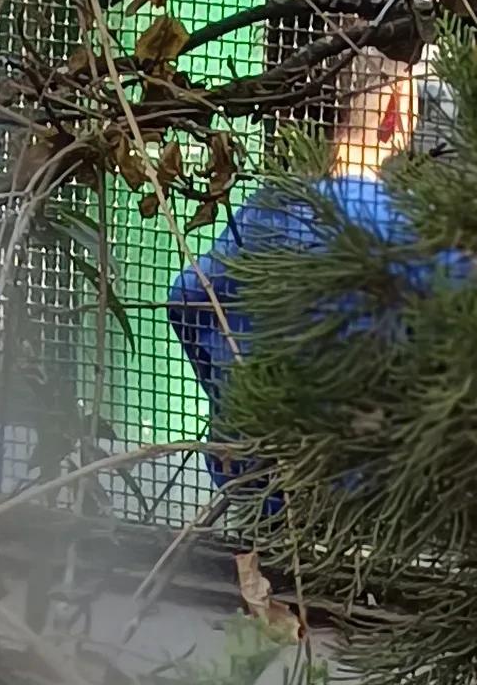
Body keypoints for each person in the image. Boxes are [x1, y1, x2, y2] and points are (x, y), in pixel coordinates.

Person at [167, 34, 454, 625]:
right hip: (394, 551)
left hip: (267, 533)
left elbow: (187, 298)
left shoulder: (261, 216)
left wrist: (235, 415)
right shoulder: (409, 239)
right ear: (397, 111)